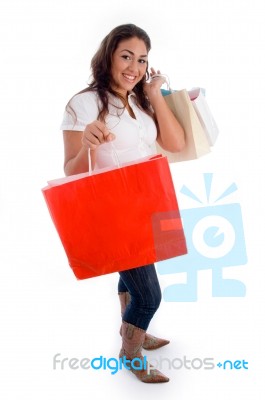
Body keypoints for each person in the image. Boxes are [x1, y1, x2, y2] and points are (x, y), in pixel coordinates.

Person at [60, 23, 185, 383]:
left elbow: (174, 144)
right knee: (149, 296)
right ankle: (130, 351)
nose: (134, 66)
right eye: (126, 56)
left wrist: (154, 93)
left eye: (142, 60)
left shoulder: (140, 99)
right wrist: (87, 144)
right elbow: (70, 172)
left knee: (128, 275)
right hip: (113, 211)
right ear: (108, 57)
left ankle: (134, 330)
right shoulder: (83, 103)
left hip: (146, 202)